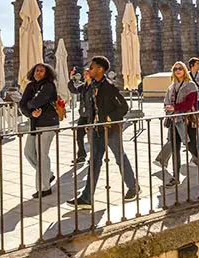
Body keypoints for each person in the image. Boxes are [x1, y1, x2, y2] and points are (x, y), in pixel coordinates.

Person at [67, 56, 137, 210]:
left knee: (119, 157)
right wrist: (90, 123)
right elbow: (90, 105)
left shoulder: (109, 87)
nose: (89, 70)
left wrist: (108, 118)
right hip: (96, 130)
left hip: (111, 129)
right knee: (95, 162)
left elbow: (123, 108)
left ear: (100, 69)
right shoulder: (91, 86)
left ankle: (133, 187)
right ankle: (86, 198)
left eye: (91, 67)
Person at [163, 61, 199, 185]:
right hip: (175, 120)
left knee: (192, 148)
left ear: (184, 70)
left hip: (188, 121)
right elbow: (166, 102)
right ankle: (176, 177)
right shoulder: (171, 87)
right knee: (175, 149)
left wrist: (174, 107)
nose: (178, 70)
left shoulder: (190, 85)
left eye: (180, 68)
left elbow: (189, 104)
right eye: (175, 69)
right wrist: (168, 108)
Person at [19, 63, 60, 198]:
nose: (38, 73)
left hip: (47, 123)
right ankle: (48, 175)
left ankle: (44, 188)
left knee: (42, 154)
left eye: (41, 71)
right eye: (37, 70)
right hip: (35, 123)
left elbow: (35, 103)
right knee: (28, 152)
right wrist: (31, 113)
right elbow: (22, 105)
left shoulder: (48, 86)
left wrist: (29, 104)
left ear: (46, 73)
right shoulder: (31, 86)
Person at [67, 66, 93, 164]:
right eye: (84, 74)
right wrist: (71, 79)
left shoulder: (95, 86)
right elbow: (73, 90)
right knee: (79, 135)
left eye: (87, 73)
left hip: (92, 115)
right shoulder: (83, 86)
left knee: (91, 137)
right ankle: (81, 156)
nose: (85, 75)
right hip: (83, 115)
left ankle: (93, 157)